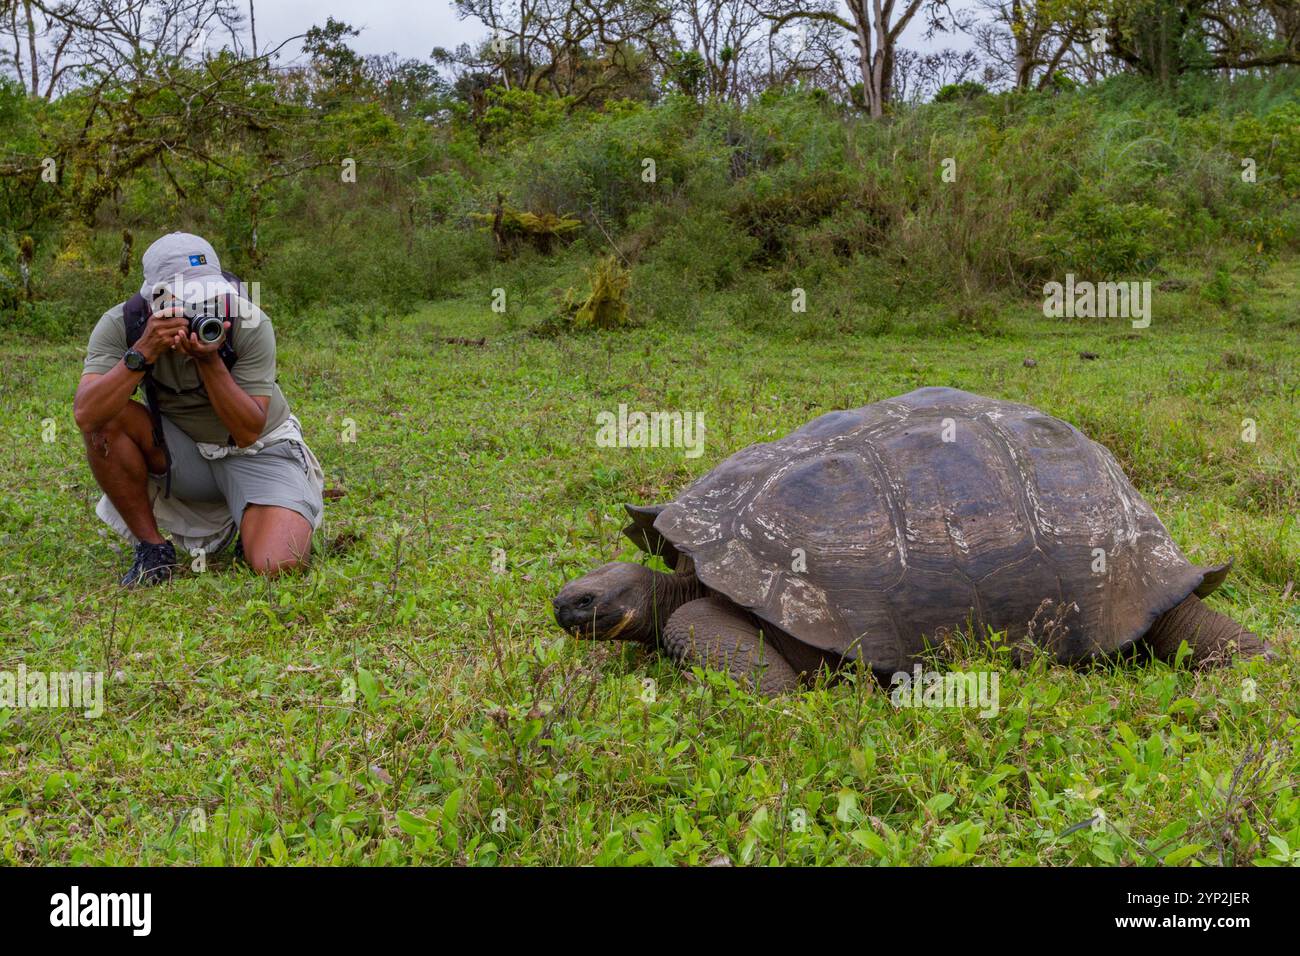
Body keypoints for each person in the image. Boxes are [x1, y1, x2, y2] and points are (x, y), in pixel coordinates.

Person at [74, 232, 324, 586]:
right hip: (186, 453)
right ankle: (153, 549)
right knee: (105, 419)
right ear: (154, 296)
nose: (199, 309)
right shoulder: (122, 325)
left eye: (207, 296)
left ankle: (268, 512)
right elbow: (86, 414)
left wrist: (210, 362)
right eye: (186, 298)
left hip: (258, 450)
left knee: (277, 564)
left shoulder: (249, 320)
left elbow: (248, 430)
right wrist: (142, 353)